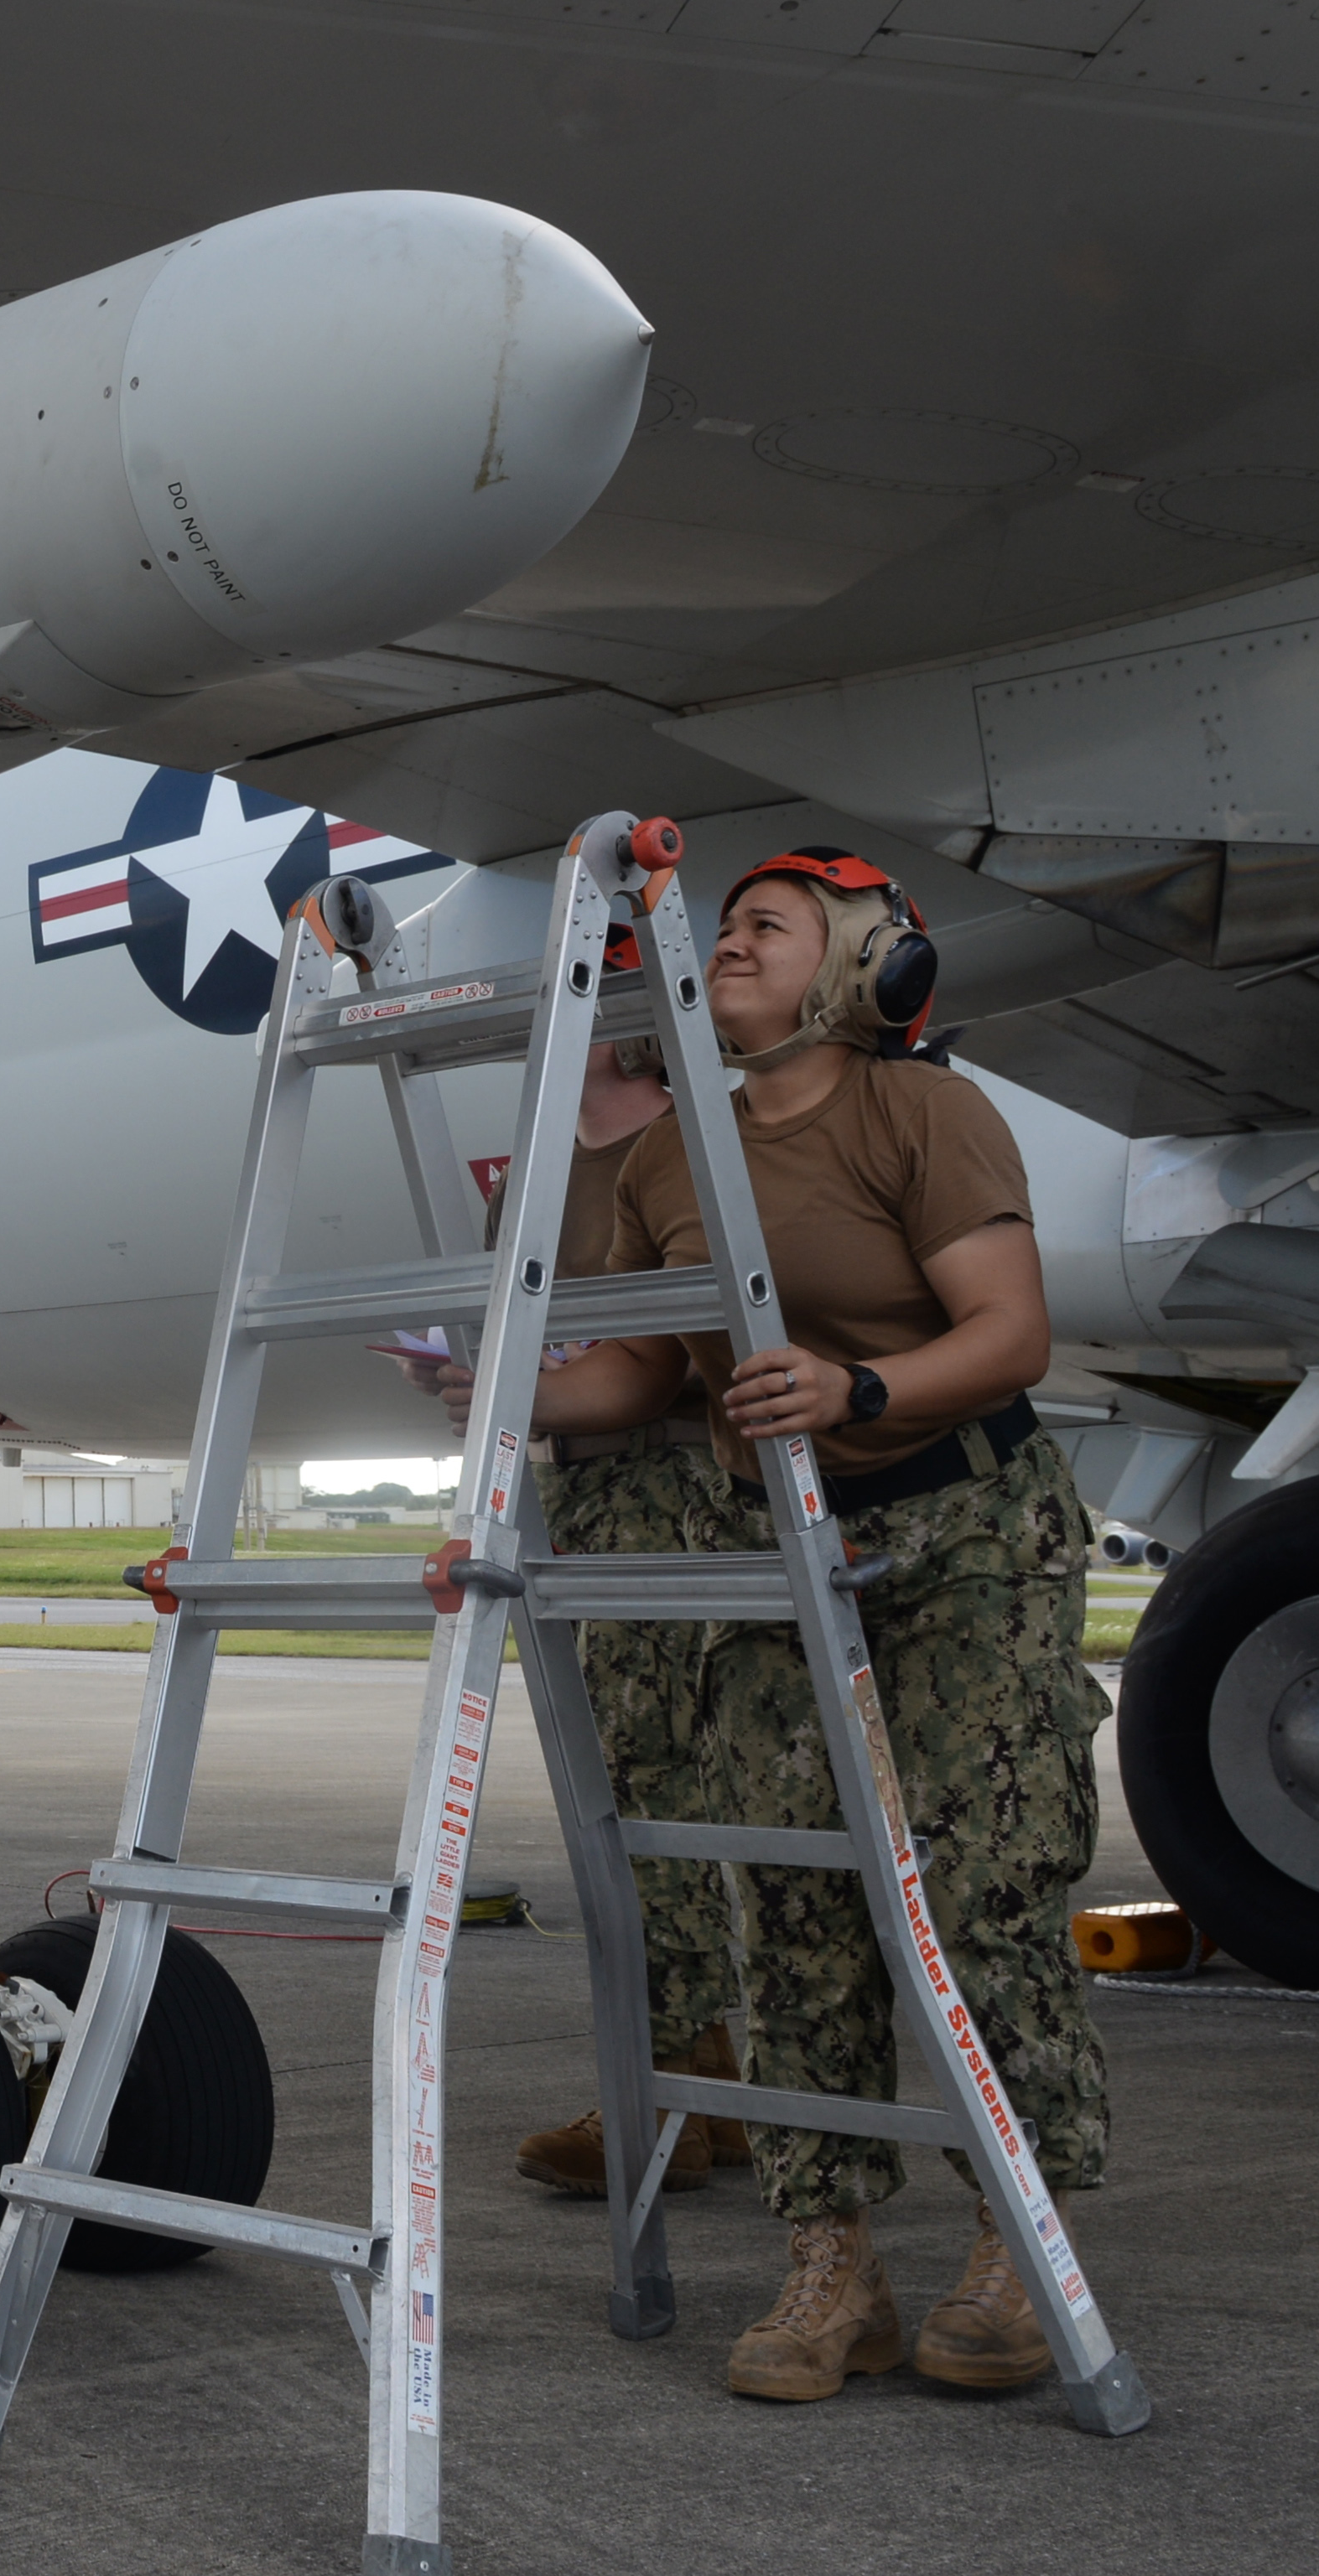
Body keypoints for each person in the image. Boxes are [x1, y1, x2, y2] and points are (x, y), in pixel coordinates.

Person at [501, 850, 1109, 2405]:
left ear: (859, 965)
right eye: (719, 930)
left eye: (763, 926)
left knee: (980, 1887)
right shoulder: (665, 1161)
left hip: (965, 1531)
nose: (726, 945)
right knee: (787, 1901)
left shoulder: (921, 1114)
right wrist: (504, 1389)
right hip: (783, 1541)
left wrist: (860, 1386)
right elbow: (645, 1374)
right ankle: (832, 2259)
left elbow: (1011, 1334)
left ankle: (1015, 2238)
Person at [447, 1040, 752, 2199]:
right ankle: (704, 2081)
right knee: (636, 1786)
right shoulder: (527, 1176)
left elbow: (696, 1348)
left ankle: (664, 2090)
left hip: (673, 1482)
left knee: (649, 1786)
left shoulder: (695, 1144)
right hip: (572, 1484)